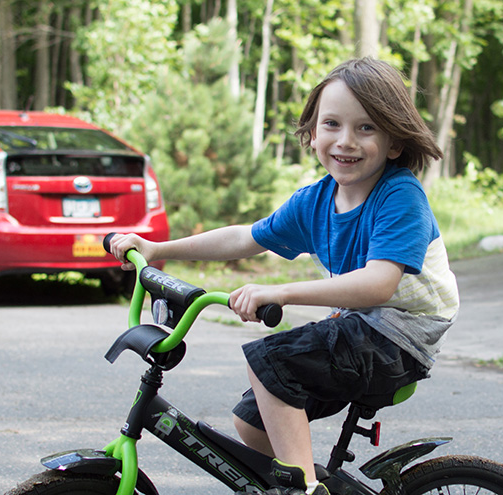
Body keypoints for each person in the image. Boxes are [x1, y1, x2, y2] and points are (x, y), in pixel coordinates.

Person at [109, 57, 459, 495]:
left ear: (393, 142)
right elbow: (246, 238)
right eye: (332, 124)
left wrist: (282, 291)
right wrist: (160, 249)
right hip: (361, 327)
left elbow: (379, 284)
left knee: (270, 360)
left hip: (403, 336)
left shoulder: (400, 197)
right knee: (251, 421)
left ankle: (305, 490)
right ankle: (321, 487)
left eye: (366, 128)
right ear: (312, 133)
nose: (345, 141)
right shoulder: (315, 201)